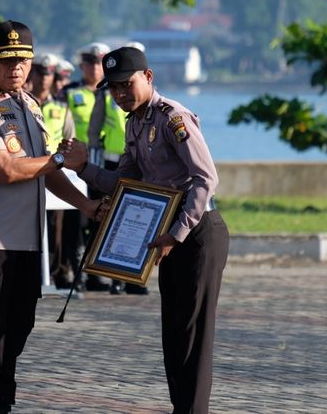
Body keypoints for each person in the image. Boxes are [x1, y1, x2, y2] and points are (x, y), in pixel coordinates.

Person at [60, 46, 229, 414]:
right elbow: (125, 182)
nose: (120, 94)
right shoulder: (134, 123)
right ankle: (181, 407)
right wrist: (83, 168)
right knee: (174, 332)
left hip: (198, 232)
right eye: (114, 88)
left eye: (127, 85)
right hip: (168, 238)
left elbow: (206, 179)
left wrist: (178, 233)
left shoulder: (173, 118)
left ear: (148, 78)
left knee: (194, 334)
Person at [0, 20, 105, 413]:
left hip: (26, 240)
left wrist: (87, 205)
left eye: (22, 60)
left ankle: (2, 401)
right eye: (6, 60)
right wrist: (58, 157)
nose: (15, 68)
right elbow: (5, 169)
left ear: (32, 61)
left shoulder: (31, 106)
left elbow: (46, 171)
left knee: (18, 328)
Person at [87, 41, 148, 295]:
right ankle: (110, 276)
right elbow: (93, 129)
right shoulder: (105, 93)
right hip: (113, 160)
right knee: (111, 219)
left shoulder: (148, 95)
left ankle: (134, 277)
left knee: (139, 220)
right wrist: (93, 162)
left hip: (141, 164)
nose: (119, 91)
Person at [28, 53, 79, 288]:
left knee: (56, 224)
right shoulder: (23, 102)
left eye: (48, 74)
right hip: (29, 169)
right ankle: (35, 270)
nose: (44, 78)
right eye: (40, 73)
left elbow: (70, 139)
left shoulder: (61, 106)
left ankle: (56, 271)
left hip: (55, 169)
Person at [63, 41, 112, 291]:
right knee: (77, 220)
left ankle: (100, 273)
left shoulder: (113, 91)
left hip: (104, 164)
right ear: (82, 65)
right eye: (90, 63)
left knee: (103, 218)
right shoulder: (70, 92)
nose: (94, 68)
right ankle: (75, 270)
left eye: (99, 63)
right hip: (75, 165)